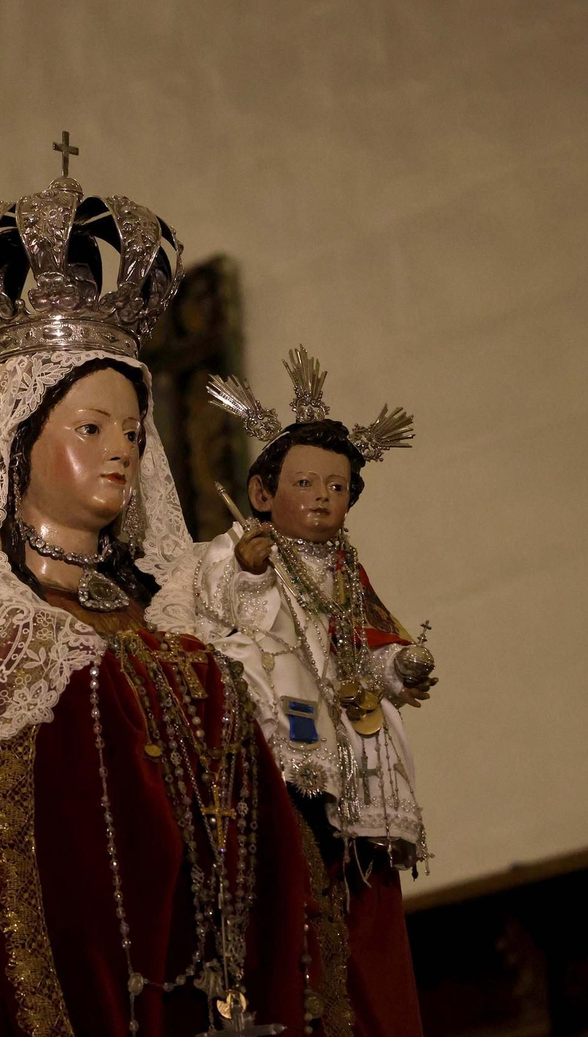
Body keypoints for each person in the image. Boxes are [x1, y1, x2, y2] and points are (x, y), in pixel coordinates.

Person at [0, 161, 338, 1036]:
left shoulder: (174, 618)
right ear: (16, 446)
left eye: (131, 430)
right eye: (89, 429)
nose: (120, 450)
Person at [149, 347, 435, 1036]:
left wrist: (403, 668)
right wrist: (251, 575)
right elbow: (212, 620)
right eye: (305, 483)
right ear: (262, 493)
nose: (322, 497)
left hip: (347, 738)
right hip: (280, 731)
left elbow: (366, 649)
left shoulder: (345, 572)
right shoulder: (235, 550)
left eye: (337, 487)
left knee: (351, 894)